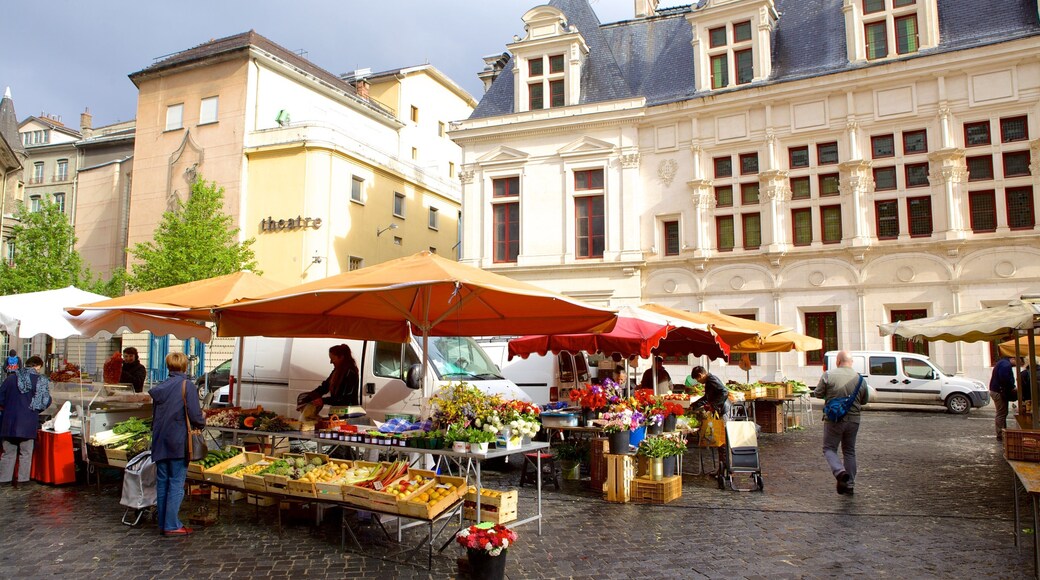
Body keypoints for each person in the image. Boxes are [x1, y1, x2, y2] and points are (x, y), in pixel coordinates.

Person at [149, 352, 205, 536]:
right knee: (175, 483)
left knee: (163, 482)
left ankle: (163, 523)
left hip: (160, 440)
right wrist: (202, 421)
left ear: (168, 366)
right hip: (177, 441)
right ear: (185, 366)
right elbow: (195, 414)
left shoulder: (160, 387)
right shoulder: (186, 385)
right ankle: (171, 525)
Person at [815, 350, 869, 496]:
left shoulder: (828, 375)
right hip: (854, 419)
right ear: (851, 363)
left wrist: (832, 394)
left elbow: (818, 393)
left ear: (838, 361)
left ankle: (839, 472)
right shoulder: (860, 379)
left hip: (834, 419)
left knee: (829, 448)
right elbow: (864, 400)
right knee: (849, 451)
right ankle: (850, 484)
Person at [0, 355, 50, 485]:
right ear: (38, 366)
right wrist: (35, 410)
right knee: (26, 454)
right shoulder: (40, 380)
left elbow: (0, 398)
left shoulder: (11, 378)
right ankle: (22, 481)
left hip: (8, 422)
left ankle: (4, 480)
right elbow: (45, 401)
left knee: (8, 453)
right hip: (28, 422)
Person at [688, 365, 730, 475]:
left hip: (722, 411)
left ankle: (725, 469)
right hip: (719, 410)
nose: (698, 381)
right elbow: (707, 397)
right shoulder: (709, 382)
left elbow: (724, 392)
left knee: (722, 441)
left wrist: (715, 405)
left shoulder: (712, 380)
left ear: (701, 375)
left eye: (698, 379)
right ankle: (722, 468)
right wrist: (694, 405)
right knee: (720, 441)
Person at [302, 344, 361, 410]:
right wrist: (309, 398)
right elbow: (325, 387)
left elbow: (345, 398)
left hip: (349, 413)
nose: (331, 362)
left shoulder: (351, 373)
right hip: (336, 412)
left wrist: (323, 401)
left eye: (332, 359)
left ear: (341, 357)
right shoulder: (336, 371)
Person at [990, 355, 1018, 441]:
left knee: (1002, 413)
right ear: (1013, 359)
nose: (1018, 365)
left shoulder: (1003, 363)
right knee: (1001, 413)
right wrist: (1012, 387)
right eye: (1018, 362)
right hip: (998, 391)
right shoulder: (1005, 365)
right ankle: (1001, 434)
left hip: (996, 390)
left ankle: (1003, 433)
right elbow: (1004, 379)